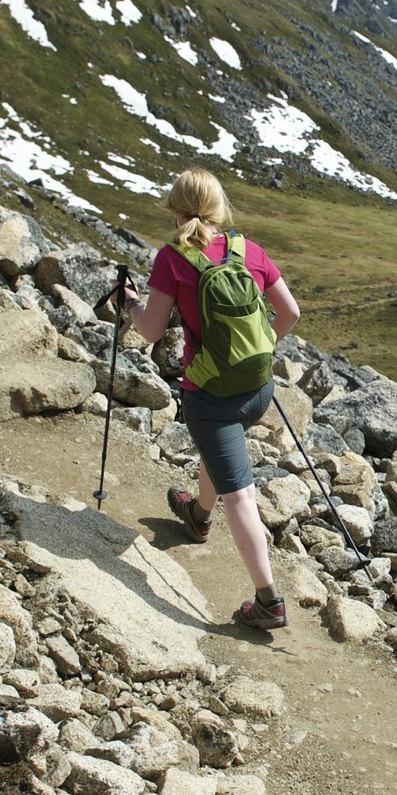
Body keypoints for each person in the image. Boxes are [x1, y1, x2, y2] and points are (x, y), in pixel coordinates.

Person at [117, 168, 301, 630]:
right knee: (223, 453)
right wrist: (256, 352)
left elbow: (152, 330)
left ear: (175, 209)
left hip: (209, 395)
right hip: (258, 390)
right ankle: (198, 516)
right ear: (220, 210)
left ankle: (268, 601)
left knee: (239, 495)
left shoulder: (172, 259)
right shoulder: (249, 250)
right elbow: (291, 312)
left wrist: (129, 304)